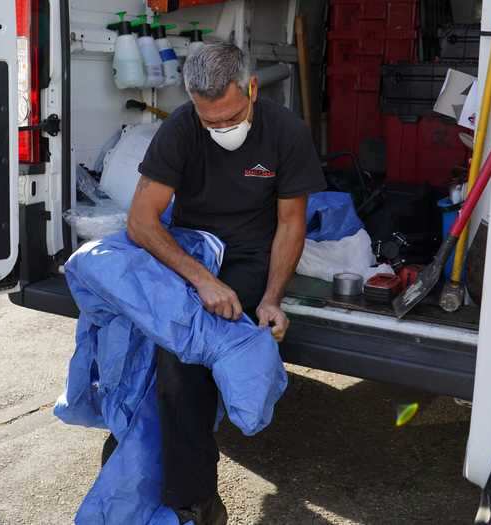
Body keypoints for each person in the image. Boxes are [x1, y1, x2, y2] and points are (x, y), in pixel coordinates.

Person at [126, 42, 326, 524]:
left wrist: (273, 299)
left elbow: (291, 223)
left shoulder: (286, 133)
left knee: (193, 352)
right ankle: (189, 496)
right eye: (209, 120)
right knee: (167, 356)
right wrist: (201, 280)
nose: (220, 129)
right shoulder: (180, 129)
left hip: (252, 254)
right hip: (193, 252)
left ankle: (191, 493)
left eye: (230, 117)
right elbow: (141, 221)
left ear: (252, 89)